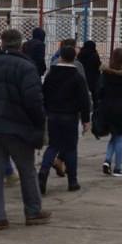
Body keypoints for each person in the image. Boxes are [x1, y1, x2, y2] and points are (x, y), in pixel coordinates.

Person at [0, 39, 49, 229]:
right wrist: (39, 125)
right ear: (20, 45)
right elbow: (33, 100)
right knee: (27, 170)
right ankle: (33, 211)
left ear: (3, 44)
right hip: (19, 127)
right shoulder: (26, 67)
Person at [38, 46, 91, 195]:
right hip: (70, 116)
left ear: (60, 56)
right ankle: (72, 181)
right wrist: (86, 120)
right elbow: (84, 100)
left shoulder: (51, 75)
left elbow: (44, 94)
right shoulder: (77, 77)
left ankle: (43, 171)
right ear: (74, 58)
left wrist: (46, 111)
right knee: (70, 148)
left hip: (53, 115)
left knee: (53, 145)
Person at [95, 48, 122, 176]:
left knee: (114, 135)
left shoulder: (105, 75)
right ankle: (118, 168)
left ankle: (107, 160)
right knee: (120, 138)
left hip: (107, 108)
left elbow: (99, 92)